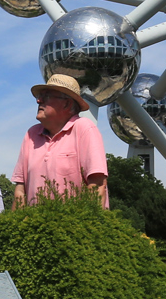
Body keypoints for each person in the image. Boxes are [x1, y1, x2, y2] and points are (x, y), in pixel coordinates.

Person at [11, 74, 107, 208]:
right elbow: (20, 190)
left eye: (47, 96)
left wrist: (84, 226)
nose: (39, 101)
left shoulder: (84, 129)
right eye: (40, 96)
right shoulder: (31, 134)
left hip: (73, 225)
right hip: (34, 226)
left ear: (67, 103)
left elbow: (97, 185)